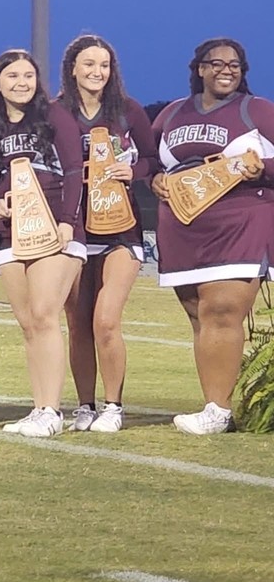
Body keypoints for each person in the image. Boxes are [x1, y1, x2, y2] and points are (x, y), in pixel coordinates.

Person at [151, 37, 274, 434]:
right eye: (216, 63)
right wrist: (152, 178)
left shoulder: (256, 110)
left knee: (221, 313)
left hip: (239, 222)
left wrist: (264, 169)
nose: (226, 69)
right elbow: (147, 160)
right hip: (183, 227)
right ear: (199, 69)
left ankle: (217, 411)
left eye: (235, 64)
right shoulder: (171, 114)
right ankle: (215, 406)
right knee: (201, 320)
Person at [0, 49, 86, 437]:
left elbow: (75, 170)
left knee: (44, 315)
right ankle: (40, 407)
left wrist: (68, 221)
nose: (21, 83)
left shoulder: (55, 116)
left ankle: (53, 411)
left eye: (28, 76)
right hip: (12, 234)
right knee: (28, 324)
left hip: (55, 229)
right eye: (12, 76)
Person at [59, 34, 158, 433]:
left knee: (105, 320)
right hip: (77, 228)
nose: (97, 72)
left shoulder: (128, 111)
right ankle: (85, 405)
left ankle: (113, 406)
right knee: (78, 322)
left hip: (122, 227)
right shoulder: (56, 113)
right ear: (73, 69)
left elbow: (151, 159)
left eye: (103, 65)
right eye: (88, 65)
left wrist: (133, 171)